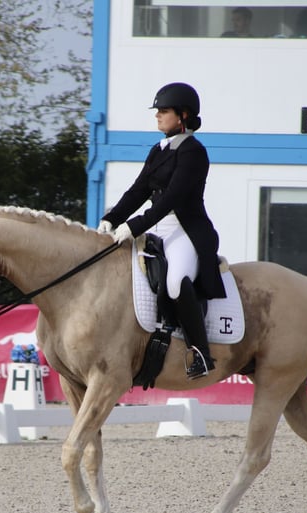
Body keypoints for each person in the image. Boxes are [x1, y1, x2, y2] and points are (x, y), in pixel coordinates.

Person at [98, 82, 226, 380]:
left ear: (183, 115)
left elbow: (173, 198)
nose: (157, 115)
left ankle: (201, 353)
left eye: (164, 111)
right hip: (158, 229)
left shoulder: (194, 152)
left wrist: (134, 225)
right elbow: (139, 189)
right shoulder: (158, 150)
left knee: (175, 282)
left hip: (186, 230)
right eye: (157, 110)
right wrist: (113, 218)